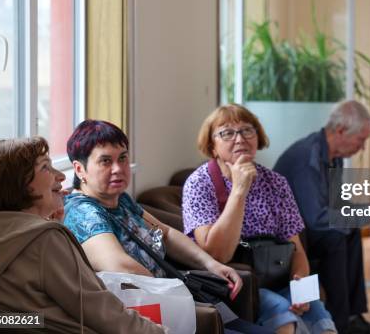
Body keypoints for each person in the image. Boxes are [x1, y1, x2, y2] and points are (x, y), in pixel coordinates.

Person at [62, 119, 262, 333]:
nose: (118, 169)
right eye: (105, 161)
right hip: (148, 314)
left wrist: (211, 264)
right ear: (80, 169)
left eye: (122, 158)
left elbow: (165, 233)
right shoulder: (83, 212)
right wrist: (176, 294)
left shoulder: (121, 200)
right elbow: (120, 266)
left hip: (171, 301)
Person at [0, 137, 165, 333]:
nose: (61, 176)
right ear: (17, 183)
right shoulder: (45, 240)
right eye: (46, 167)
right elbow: (105, 314)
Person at [182, 104, 337, 334]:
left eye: (247, 130)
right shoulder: (199, 183)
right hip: (235, 284)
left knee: (320, 316)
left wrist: (300, 286)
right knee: (281, 311)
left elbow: (296, 249)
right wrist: (239, 190)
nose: (239, 138)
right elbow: (216, 254)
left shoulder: (275, 182)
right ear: (212, 146)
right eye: (227, 132)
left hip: (279, 277)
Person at [274, 100, 370, 334]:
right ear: (340, 131)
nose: (362, 148)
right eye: (361, 140)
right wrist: (368, 213)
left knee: (349, 232)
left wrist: (367, 209)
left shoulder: (332, 156)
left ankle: (351, 316)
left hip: (308, 228)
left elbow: (335, 206)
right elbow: (317, 217)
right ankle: (340, 324)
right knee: (335, 237)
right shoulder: (307, 157)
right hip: (290, 235)